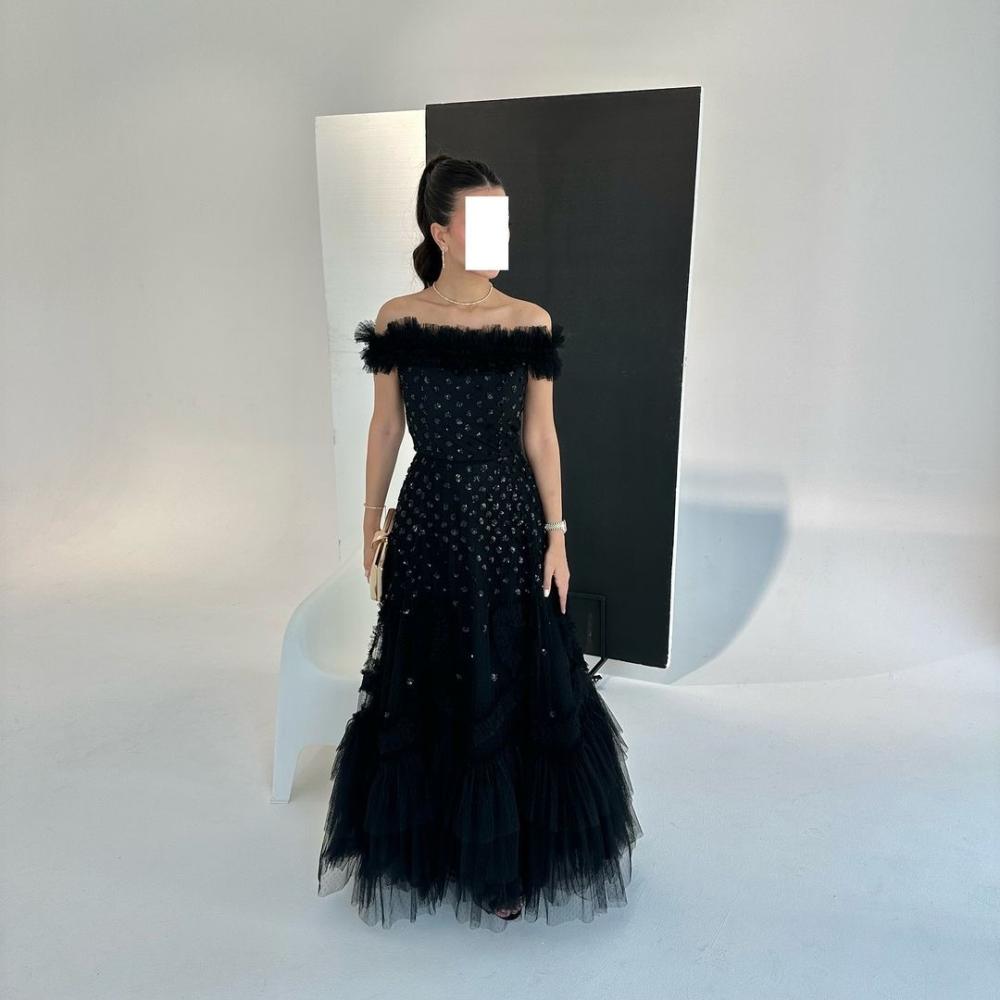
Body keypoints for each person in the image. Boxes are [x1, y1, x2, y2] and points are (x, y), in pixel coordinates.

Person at [317, 154, 642, 930]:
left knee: (508, 671)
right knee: (428, 674)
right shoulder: (399, 318)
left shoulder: (528, 321)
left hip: (506, 523)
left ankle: (504, 857)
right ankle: (433, 841)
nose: (504, 235)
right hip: (428, 519)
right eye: (485, 220)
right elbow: (386, 427)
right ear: (441, 232)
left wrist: (558, 536)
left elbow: (541, 435)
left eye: (507, 219)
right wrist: (370, 519)